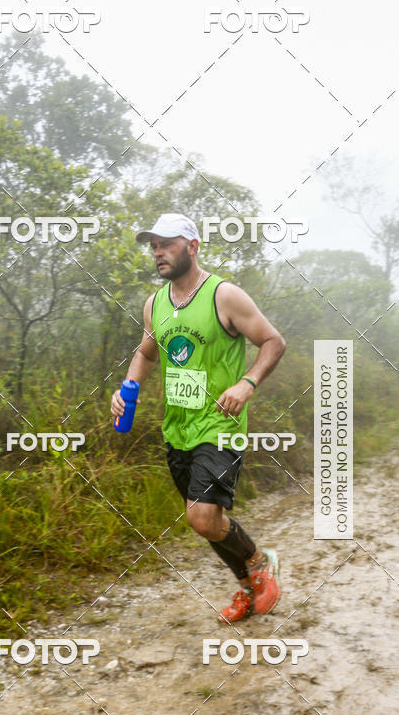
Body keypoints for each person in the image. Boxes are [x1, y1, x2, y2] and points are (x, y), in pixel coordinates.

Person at [110, 213, 286, 622]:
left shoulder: (224, 296)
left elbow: (273, 341)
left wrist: (247, 383)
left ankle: (261, 564)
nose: (157, 252)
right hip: (178, 428)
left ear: (192, 246)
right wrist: (126, 389)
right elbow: (147, 352)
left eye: (166, 243)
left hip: (220, 424)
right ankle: (249, 587)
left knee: (201, 516)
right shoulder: (155, 304)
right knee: (208, 520)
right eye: (153, 245)